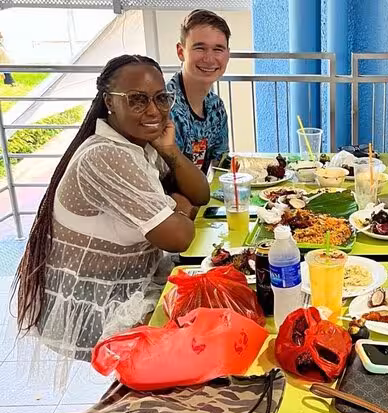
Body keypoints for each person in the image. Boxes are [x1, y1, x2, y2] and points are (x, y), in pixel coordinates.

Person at [13, 54, 210, 368]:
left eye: (161, 98)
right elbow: (179, 237)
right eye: (137, 100)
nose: (153, 110)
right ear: (109, 102)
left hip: (137, 283)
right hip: (106, 307)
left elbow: (200, 193)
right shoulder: (105, 155)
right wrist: (179, 205)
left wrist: (170, 151)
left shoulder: (139, 144)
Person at [167, 9, 231, 175]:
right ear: (181, 52)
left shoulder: (216, 106)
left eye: (218, 49)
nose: (209, 59)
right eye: (200, 48)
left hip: (203, 196)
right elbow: (165, 182)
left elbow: (220, 167)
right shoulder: (164, 108)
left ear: (227, 54)